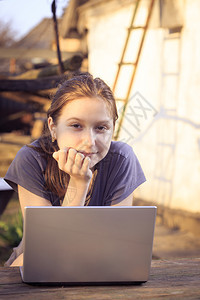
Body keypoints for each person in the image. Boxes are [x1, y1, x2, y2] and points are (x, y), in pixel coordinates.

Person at [4, 73, 146, 267]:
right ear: (53, 127)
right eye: (76, 125)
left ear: (112, 128)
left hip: (97, 267)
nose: (89, 141)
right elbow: (50, 248)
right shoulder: (31, 160)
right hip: (37, 268)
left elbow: (117, 245)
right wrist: (79, 185)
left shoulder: (122, 159)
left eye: (101, 128)